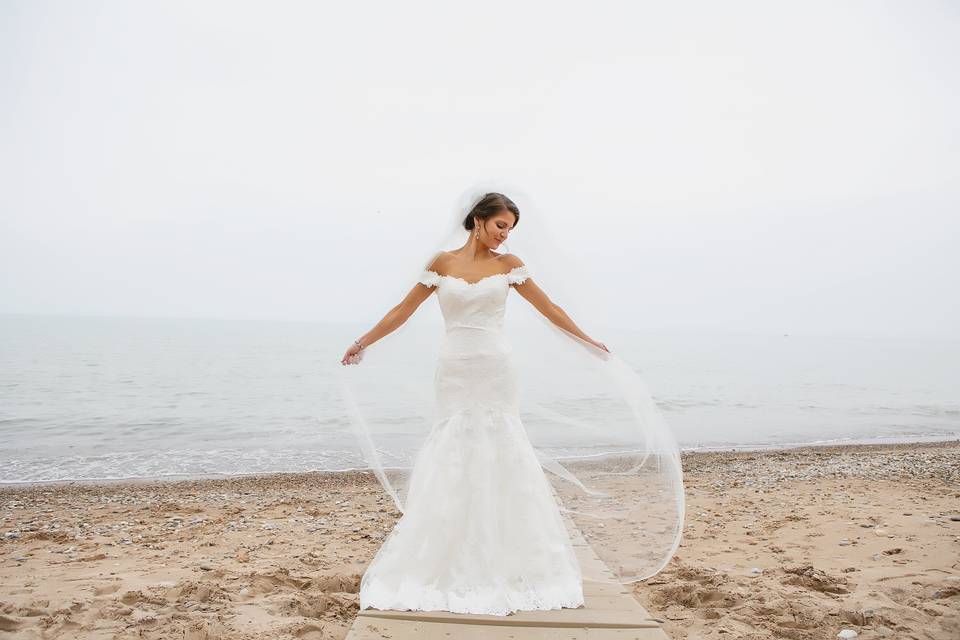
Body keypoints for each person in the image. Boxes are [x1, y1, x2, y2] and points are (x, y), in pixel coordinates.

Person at [336, 189, 685, 616]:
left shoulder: (510, 266)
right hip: (454, 368)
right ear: (478, 220)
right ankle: (444, 551)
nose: (505, 235)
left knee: (501, 445)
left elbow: (549, 307)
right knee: (452, 447)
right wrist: (362, 342)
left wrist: (588, 342)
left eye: (511, 229)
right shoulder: (441, 263)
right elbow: (402, 310)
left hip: (495, 368)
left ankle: (512, 556)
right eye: (501, 225)